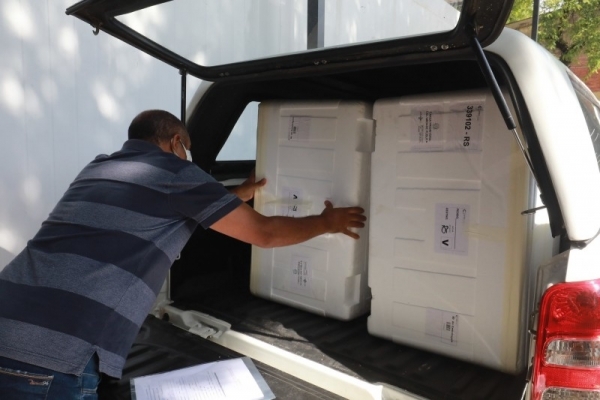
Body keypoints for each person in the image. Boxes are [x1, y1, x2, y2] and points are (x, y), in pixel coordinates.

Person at [0, 109, 366, 399]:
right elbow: (264, 234)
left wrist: (236, 194)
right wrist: (326, 222)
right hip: (53, 353)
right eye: (187, 151)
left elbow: (174, 208)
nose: (188, 159)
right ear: (176, 142)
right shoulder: (176, 173)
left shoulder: (99, 167)